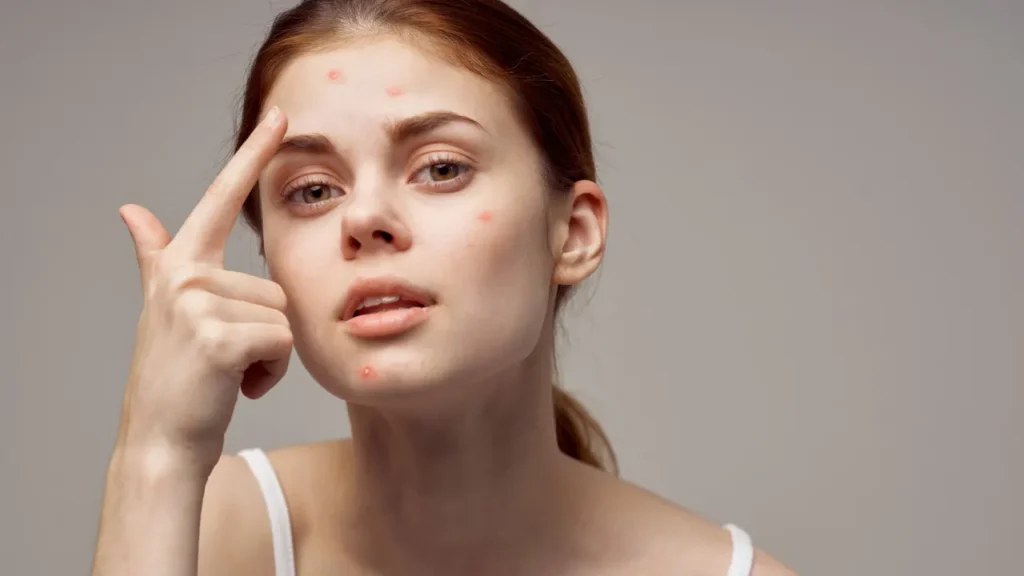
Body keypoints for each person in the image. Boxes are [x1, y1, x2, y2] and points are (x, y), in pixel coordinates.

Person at [91, 1, 798, 574]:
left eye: (441, 168)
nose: (365, 219)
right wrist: (154, 454)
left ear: (574, 231)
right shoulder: (208, 530)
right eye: (312, 190)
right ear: (270, 260)